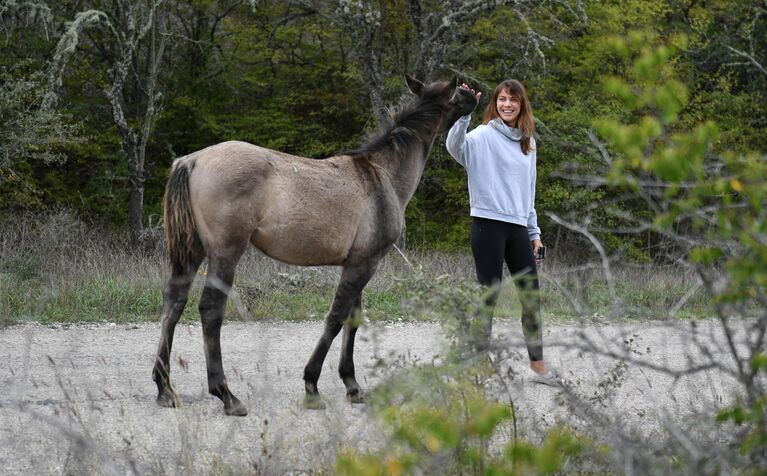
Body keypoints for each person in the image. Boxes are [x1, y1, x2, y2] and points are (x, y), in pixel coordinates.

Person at [446, 79, 558, 386]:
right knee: (489, 296)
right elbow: (455, 147)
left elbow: (529, 192)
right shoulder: (483, 135)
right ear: (494, 103)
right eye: (501, 100)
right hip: (487, 224)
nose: (506, 105)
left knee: (531, 297)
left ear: (522, 105)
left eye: (513, 100)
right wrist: (463, 114)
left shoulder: (528, 143)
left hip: (518, 227)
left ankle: (538, 366)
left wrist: (534, 233)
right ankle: (477, 364)